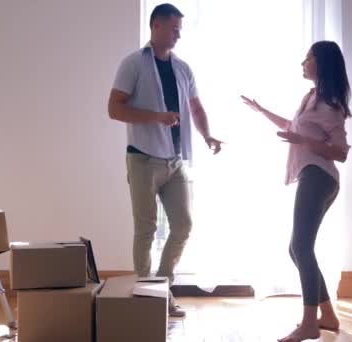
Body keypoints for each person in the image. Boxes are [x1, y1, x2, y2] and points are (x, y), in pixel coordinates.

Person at [108, 3, 222, 318]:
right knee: (145, 229)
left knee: (183, 225)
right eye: (174, 28)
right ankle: (146, 297)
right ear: (156, 26)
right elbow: (114, 109)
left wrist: (208, 135)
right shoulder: (133, 63)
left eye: (180, 29)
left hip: (176, 161)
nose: (179, 34)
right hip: (142, 159)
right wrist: (156, 117)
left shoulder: (183, 68)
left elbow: (196, 108)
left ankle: (161, 289)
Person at [241, 40, 351, 341]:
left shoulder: (330, 104)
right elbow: (293, 126)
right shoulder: (312, 97)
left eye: (308, 58)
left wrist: (303, 142)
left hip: (319, 176)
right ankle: (326, 315)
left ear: (322, 64)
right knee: (297, 248)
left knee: (301, 247)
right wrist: (261, 110)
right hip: (313, 176)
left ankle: (309, 323)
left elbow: (341, 152)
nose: (303, 63)